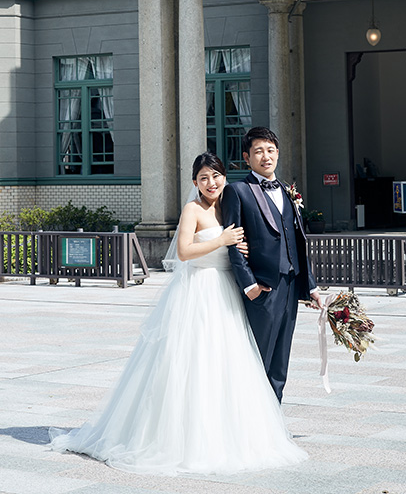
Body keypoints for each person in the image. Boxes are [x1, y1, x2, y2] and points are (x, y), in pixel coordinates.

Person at [47, 152, 307, 475]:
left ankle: (226, 435)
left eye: (216, 176)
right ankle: (182, 440)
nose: (211, 183)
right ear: (195, 183)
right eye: (203, 178)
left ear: (225, 177)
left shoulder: (231, 207)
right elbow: (184, 252)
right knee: (192, 365)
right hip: (199, 292)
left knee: (227, 368)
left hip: (227, 294)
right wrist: (223, 240)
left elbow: (247, 244)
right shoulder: (192, 210)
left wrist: (242, 248)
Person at [222, 126, 324, 403]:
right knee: (258, 354)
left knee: (281, 359)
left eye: (270, 150)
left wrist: (310, 285)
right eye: (258, 152)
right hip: (263, 287)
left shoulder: (287, 190)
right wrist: (249, 285)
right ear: (247, 157)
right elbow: (233, 241)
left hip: (291, 284)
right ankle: (249, 417)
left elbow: (298, 240)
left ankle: (273, 419)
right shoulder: (238, 191)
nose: (265, 156)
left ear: (277, 153)